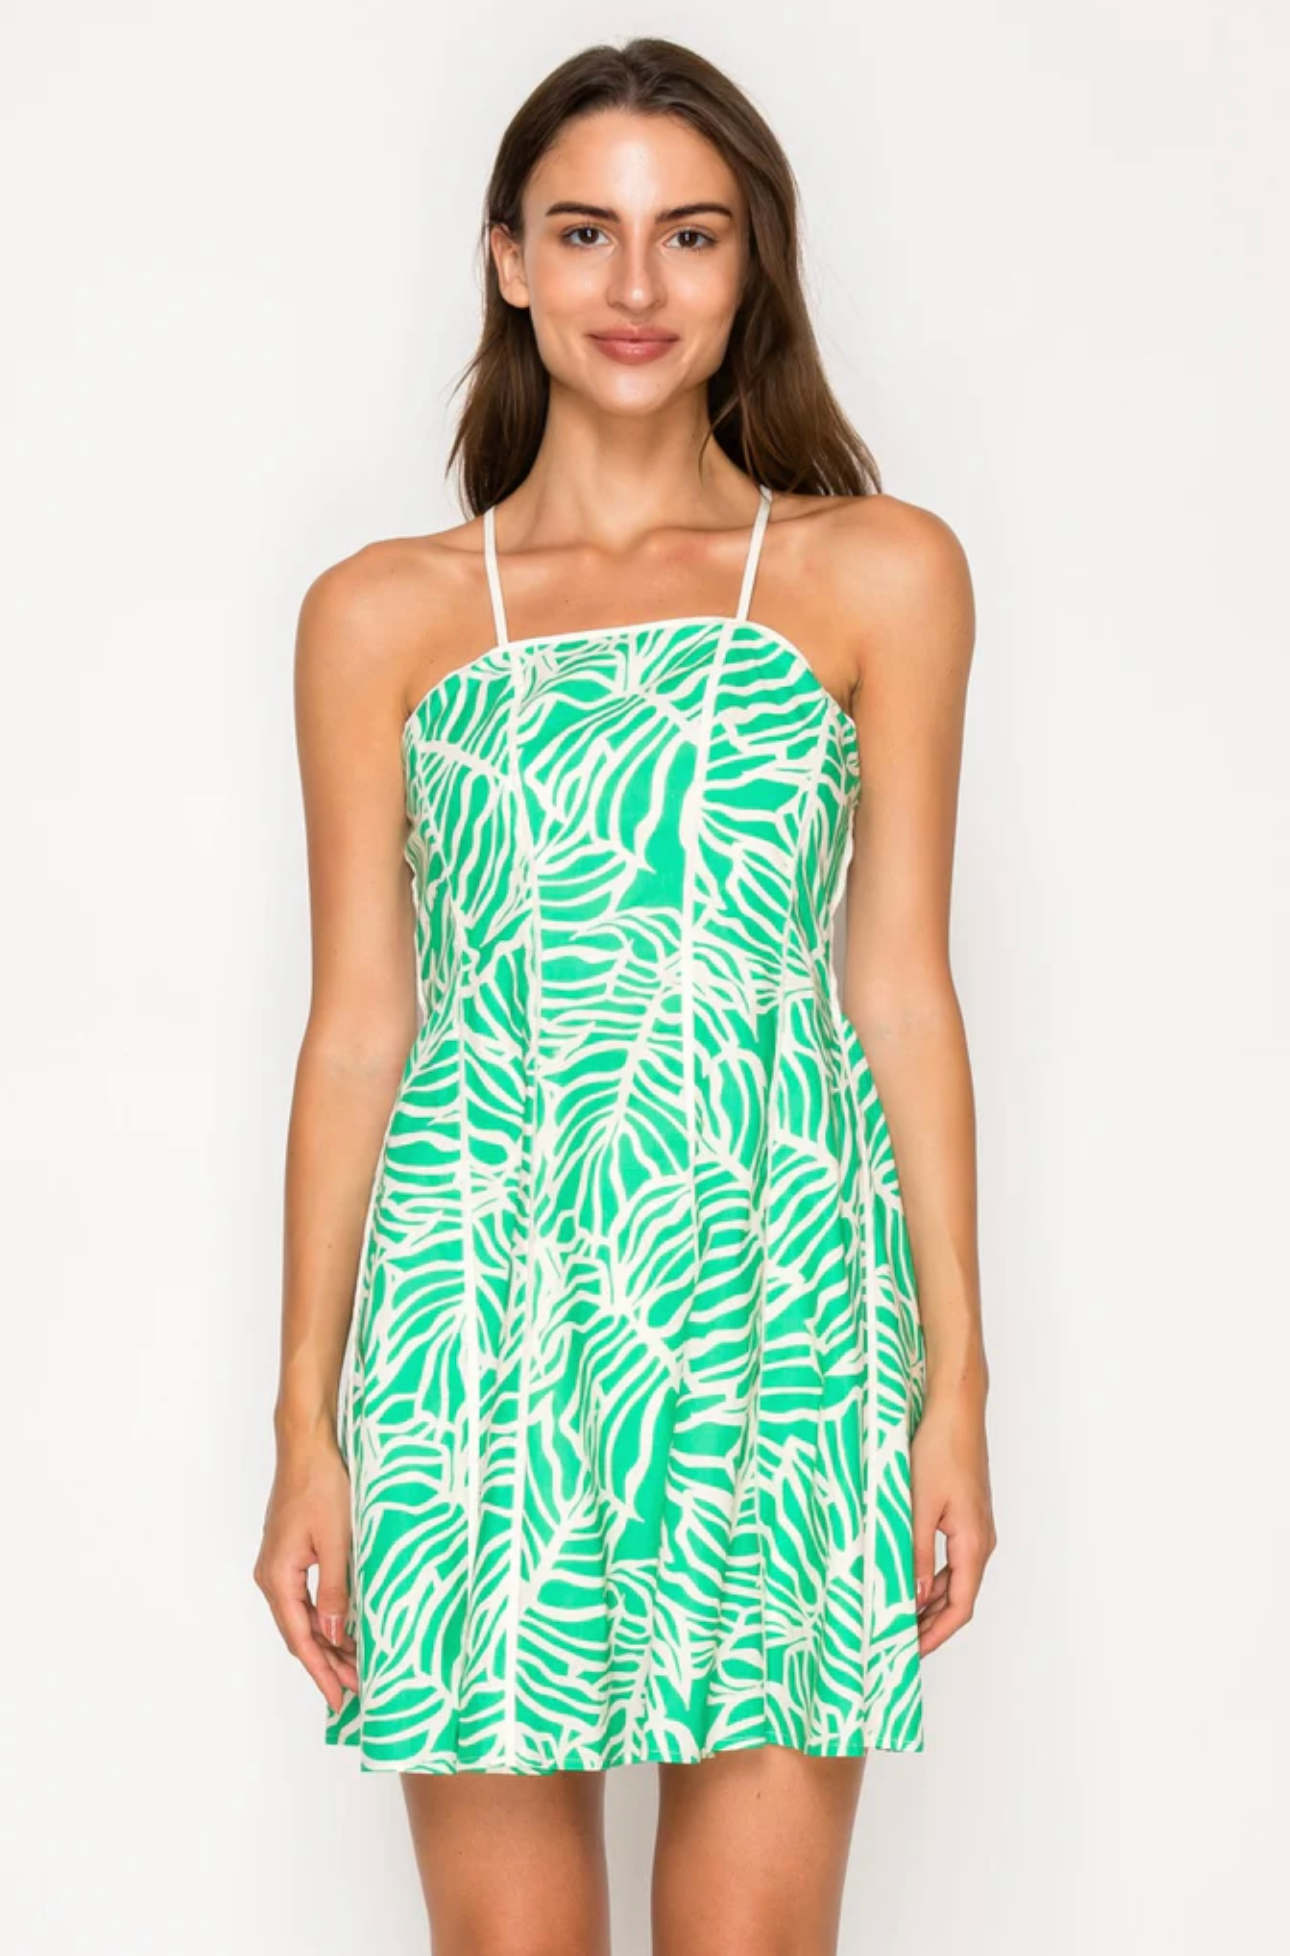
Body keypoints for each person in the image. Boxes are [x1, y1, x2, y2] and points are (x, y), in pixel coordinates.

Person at [255, 34, 994, 1954]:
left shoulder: (879, 574)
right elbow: (358, 1029)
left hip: (777, 1309)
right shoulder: (379, 614)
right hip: (472, 1318)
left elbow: (900, 991)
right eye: (584, 232)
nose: (637, 284)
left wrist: (955, 1390)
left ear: (753, 265)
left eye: (692, 234)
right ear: (508, 260)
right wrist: (304, 1430)